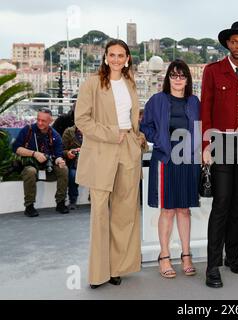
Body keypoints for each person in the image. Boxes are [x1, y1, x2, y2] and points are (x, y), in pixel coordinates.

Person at [75, 39, 146, 289]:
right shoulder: (92, 84)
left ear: (127, 59)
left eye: (121, 55)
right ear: (105, 57)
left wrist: (137, 139)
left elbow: (131, 118)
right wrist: (110, 133)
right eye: (112, 55)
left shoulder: (130, 83)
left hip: (128, 148)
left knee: (124, 213)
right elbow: (81, 120)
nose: (116, 59)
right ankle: (98, 273)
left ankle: (117, 267)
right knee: (100, 214)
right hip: (102, 151)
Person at [201, 21, 238, 288]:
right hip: (222, 143)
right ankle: (212, 266)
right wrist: (205, 145)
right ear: (228, 43)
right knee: (221, 203)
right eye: (234, 41)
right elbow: (206, 108)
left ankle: (232, 257)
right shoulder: (213, 71)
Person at [140, 59, 201, 278]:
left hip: (188, 160)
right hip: (165, 159)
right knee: (166, 210)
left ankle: (186, 255)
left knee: (184, 210)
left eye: (182, 75)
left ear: (187, 79)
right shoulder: (157, 100)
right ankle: (164, 256)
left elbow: (200, 128)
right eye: (173, 75)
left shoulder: (194, 102)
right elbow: (144, 125)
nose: (177, 80)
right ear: (168, 78)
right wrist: (160, 140)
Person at [12, 108, 69, 217]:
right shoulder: (27, 130)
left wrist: (60, 161)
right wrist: (34, 154)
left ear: (50, 120)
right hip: (30, 167)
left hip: (47, 169)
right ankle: (29, 206)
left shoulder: (55, 135)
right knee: (30, 171)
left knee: (63, 169)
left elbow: (58, 155)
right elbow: (16, 148)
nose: (40, 123)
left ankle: (60, 203)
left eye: (43, 121)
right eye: (38, 119)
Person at [62, 124, 83, 210]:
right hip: (75, 162)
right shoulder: (69, 131)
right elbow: (62, 150)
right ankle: (73, 200)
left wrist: (85, 149)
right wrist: (69, 152)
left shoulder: (94, 130)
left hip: (92, 161)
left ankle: (95, 199)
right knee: (73, 175)